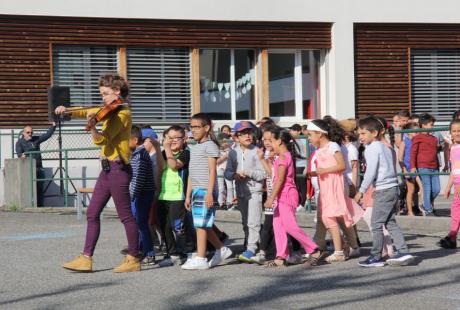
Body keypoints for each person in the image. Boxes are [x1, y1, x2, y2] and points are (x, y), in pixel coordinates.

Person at [57, 72, 140, 273]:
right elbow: (88, 110)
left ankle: (133, 258)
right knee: (92, 213)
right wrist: (67, 110)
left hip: (118, 169)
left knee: (125, 216)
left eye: (105, 94)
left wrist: (93, 127)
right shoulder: (108, 110)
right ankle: (86, 258)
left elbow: (103, 140)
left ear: (117, 92)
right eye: (101, 94)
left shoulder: (122, 114)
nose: (102, 98)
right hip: (107, 170)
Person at [355, 116, 414, 267]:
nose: (360, 137)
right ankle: (403, 251)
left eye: (363, 133)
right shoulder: (386, 146)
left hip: (383, 189)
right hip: (392, 188)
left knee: (376, 224)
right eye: (359, 133)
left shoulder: (372, 148)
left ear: (374, 133)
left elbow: (371, 172)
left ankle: (376, 256)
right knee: (390, 222)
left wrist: (361, 190)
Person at [263, 126, 323, 268]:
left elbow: (281, 180)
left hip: (286, 195)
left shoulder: (284, 157)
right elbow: (276, 176)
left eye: (271, 140)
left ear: (279, 141)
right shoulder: (281, 157)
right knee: (278, 226)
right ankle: (280, 256)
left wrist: (271, 197)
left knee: (290, 226)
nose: (268, 144)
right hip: (281, 194)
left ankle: (314, 250)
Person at [182, 113, 232, 270]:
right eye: (192, 127)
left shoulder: (210, 145)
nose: (193, 130)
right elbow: (191, 172)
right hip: (196, 189)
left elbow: (212, 171)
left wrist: (210, 193)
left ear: (206, 127)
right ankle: (222, 249)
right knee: (202, 224)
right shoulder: (194, 147)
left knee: (201, 226)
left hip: (206, 189)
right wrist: (188, 195)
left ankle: (201, 258)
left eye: (197, 127)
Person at [307, 119, 362, 263]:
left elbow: (342, 165)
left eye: (310, 134)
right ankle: (341, 247)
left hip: (335, 186)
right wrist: (315, 173)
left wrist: (323, 170)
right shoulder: (319, 150)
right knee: (328, 217)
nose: (309, 138)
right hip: (325, 187)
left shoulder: (333, 146)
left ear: (320, 134)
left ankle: (339, 251)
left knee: (330, 216)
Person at [224, 121, 265, 263]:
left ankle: (251, 249)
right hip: (240, 192)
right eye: (243, 133)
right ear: (236, 137)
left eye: (250, 132)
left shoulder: (257, 151)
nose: (248, 135)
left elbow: (264, 173)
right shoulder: (233, 153)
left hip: (255, 191)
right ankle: (252, 245)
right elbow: (227, 173)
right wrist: (234, 175)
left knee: (254, 221)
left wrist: (248, 172)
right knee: (245, 222)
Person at [157, 125, 193, 267]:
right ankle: (172, 254)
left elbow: (173, 166)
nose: (172, 141)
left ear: (184, 139)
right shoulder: (164, 152)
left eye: (176, 138)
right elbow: (160, 168)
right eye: (169, 138)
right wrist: (163, 150)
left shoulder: (186, 153)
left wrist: (166, 149)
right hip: (163, 195)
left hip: (178, 196)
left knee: (178, 226)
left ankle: (189, 251)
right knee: (164, 226)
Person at [129, 125, 156, 266]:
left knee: (141, 223)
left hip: (142, 194)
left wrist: (131, 196)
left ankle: (149, 253)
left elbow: (138, 178)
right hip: (139, 194)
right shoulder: (136, 154)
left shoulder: (139, 155)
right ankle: (140, 249)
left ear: (134, 140)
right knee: (137, 223)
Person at [16, 122, 56, 207]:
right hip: (28, 169)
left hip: (39, 168)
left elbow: (47, 135)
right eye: (28, 132)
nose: (30, 134)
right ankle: (29, 206)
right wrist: (21, 155)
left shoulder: (36, 139)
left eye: (31, 132)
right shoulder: (20, 142)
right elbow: (19, 153)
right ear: (23, 133)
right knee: (29, 189)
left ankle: (40, 207)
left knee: (40, 188)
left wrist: (53, 126)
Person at [253, 128, 277, 264]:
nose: (267, 142)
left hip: (278, 195)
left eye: (270, 140)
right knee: (269, 224)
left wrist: (262, 159)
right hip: (270, 192)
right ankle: (263, 252)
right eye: (264, 140)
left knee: (284, 225)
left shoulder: (277, 154)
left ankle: (297, 250)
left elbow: (272, 174)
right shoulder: (268, 152)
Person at [410, 113, 440, 216]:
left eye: (433, 124)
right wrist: (413, 166)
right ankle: (428, 210)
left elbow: (434, 151)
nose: (432, 127)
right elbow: (413, 152)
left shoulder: (434, 139)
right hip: (423, 166)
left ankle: (425, 204)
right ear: (423, 125)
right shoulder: (418, 137)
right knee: (427, 188)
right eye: (431, 124)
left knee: (436, 189)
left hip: (434, 167)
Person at [439, 118, 460, 249]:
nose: (457, 133)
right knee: (456, 211)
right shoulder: (453, 148)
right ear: (450, 133)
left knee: (456, 211)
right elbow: (454, 170)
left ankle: (452, 237)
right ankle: (452, 237)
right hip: (457, 185)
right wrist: (448, 187)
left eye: (459, 130)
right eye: (454, 131)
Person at [398, 122, 421, 216]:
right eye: (415, 132)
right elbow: (400, 158)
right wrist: (404, 170)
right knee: (410, 190)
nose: (418, 133)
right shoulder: (404, 142)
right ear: (409, 133)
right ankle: (410, 211)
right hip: (408, 168)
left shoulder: (418, 141)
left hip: (418, 168)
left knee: (419, 189)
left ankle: (419, 208)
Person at [289, 123, 308, 211]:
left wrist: (307, 166)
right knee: (296, 185)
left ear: (299, 131)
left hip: (302, 165)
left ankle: (303, 203)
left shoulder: (304, 140)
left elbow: (307, 154)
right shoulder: (292, 140)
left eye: (293, 130)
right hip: (295, 165)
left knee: (302, 185)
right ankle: (298, 201)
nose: (291, 132)